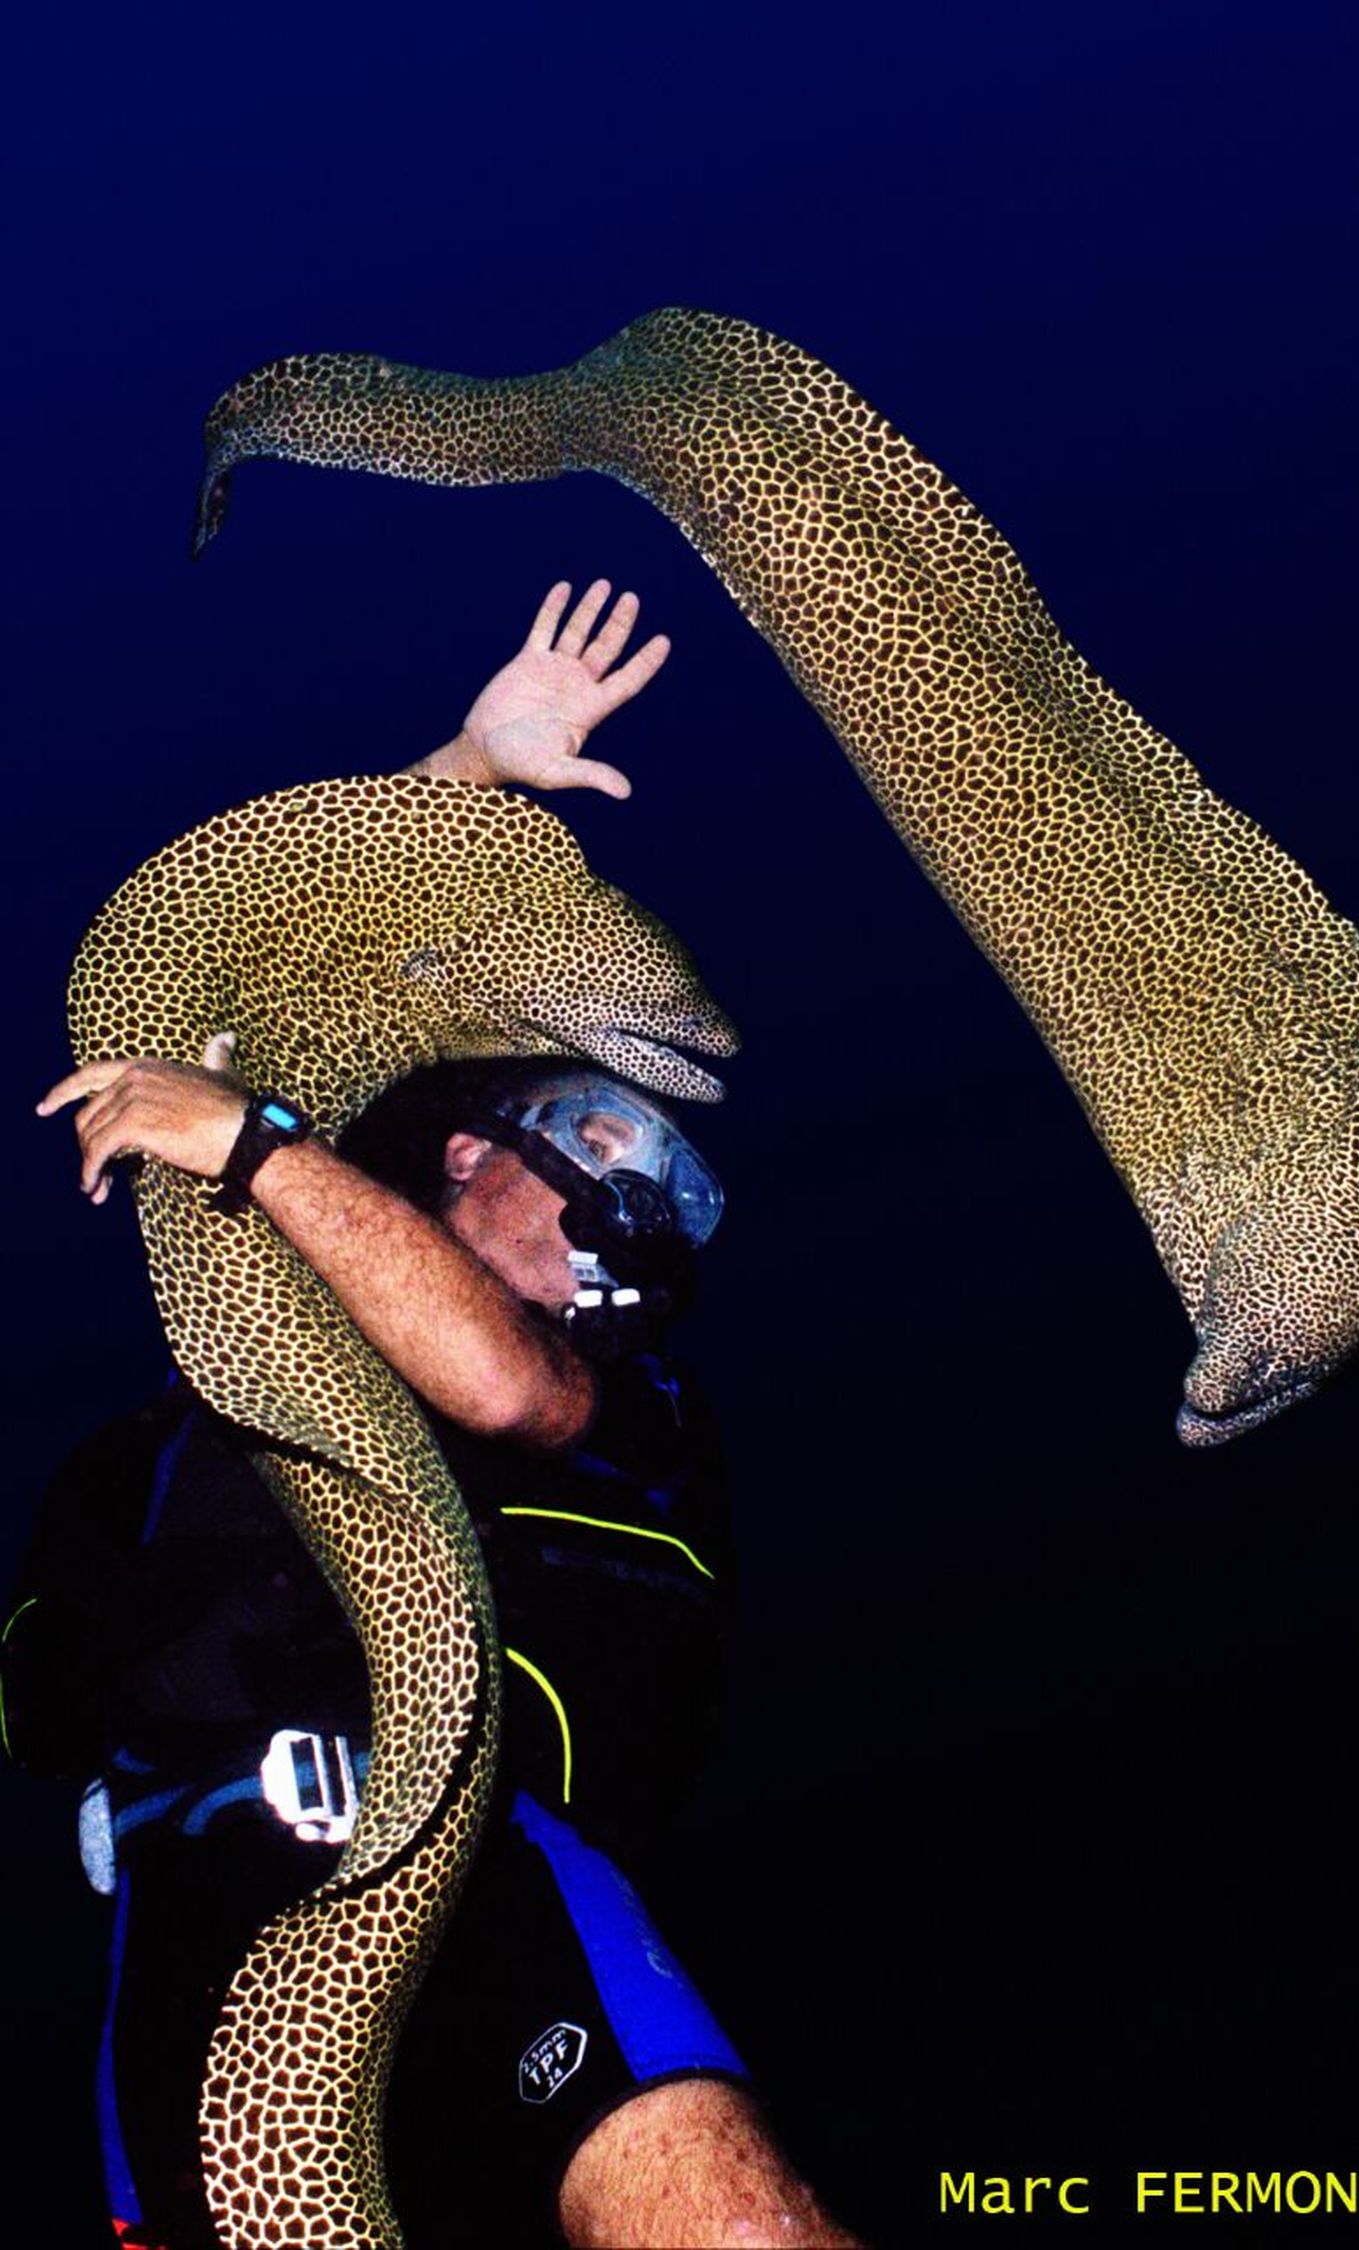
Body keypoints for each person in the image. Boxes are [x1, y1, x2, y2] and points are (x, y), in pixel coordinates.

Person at [15, 583, 860, 2249]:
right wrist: (465, 773)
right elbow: (231, 997)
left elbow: (499, 1382)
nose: (639, 1211)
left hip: (479, 1866)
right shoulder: (188, 1402)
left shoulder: (630, 1409)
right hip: (199, 1913)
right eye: (608, 1149)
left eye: (676, 1195)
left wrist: (255, 1143)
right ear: (475, 1146)